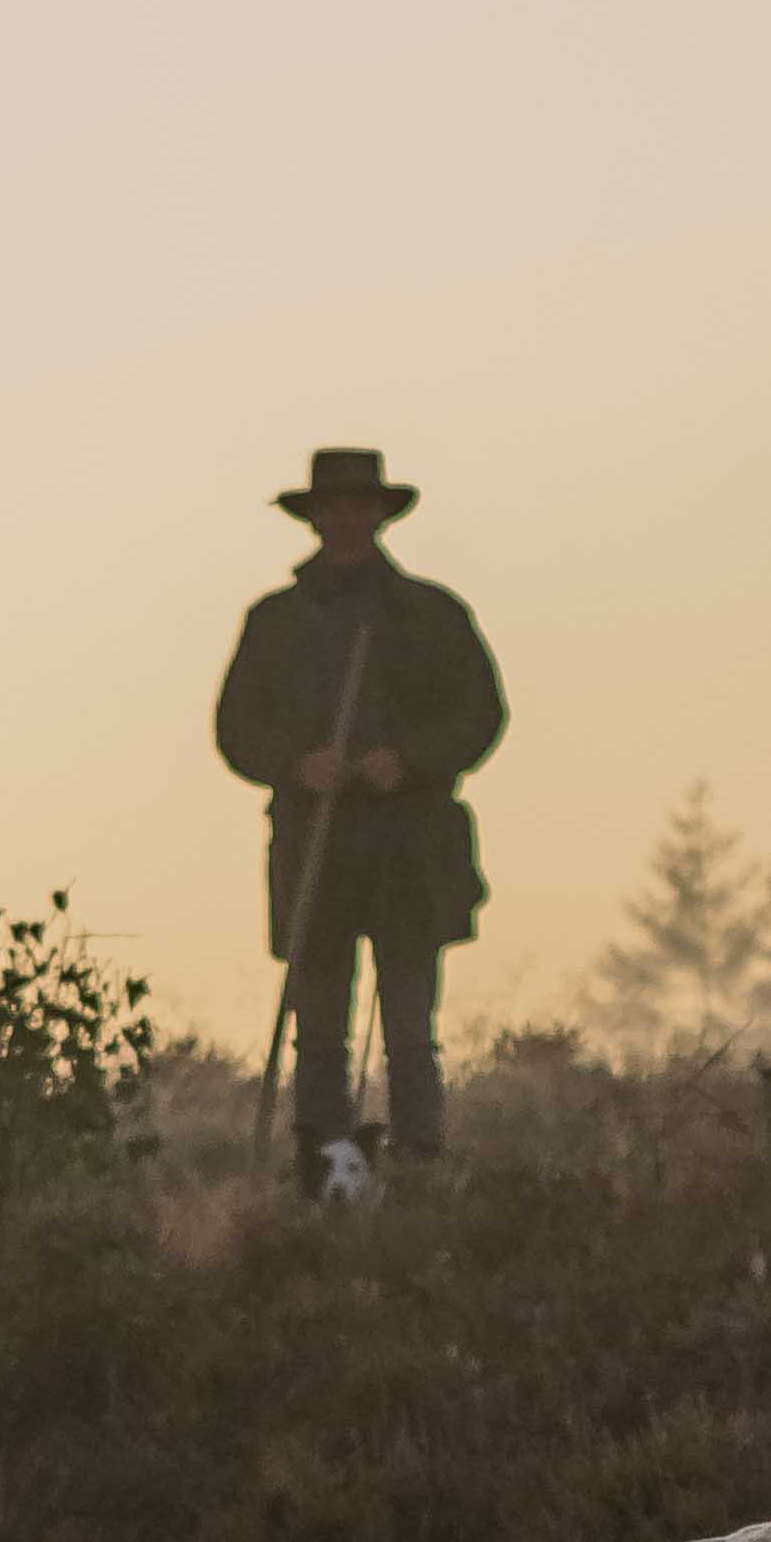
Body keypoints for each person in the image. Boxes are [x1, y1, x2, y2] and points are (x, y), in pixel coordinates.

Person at [213, 447, 506, 1197]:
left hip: (411, 851)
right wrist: (296, 764)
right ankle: (320, 1178)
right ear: (313, 518)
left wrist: (408, 761)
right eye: (332, 507)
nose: (345, 519)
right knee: (318, 1034)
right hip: (316, 847)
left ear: (379, 514)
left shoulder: (434, 616)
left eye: (357, 506)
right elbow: (237, 728)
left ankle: (418, 1173)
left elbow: (480, 715)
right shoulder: (275, 623)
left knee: (410, 1031)